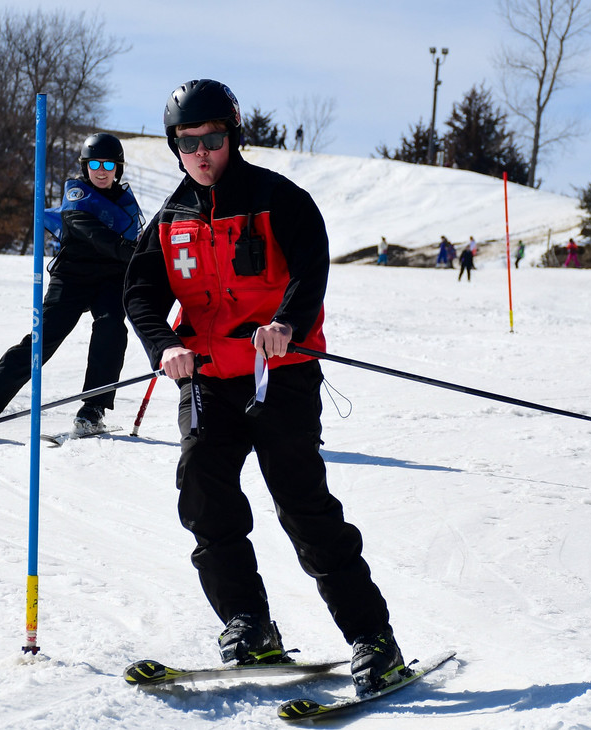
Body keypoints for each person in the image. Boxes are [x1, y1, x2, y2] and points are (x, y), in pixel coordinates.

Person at [124, 78, 403, 698]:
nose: (201, 152)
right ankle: (249, 625)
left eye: (212, 139)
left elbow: (311, 265)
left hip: (280, 374)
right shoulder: (170, 220)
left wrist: (288, 325)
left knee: (303, 507)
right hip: (207, 379)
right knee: (202, 492)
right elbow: (140, 292)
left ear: (234, 136)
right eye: (186, 142)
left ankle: (373, 640)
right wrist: (164, 346)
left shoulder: (280, 200)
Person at [0, 133, 142, 436]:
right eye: (94, 163)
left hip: (110, 278)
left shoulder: (125, 203)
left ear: (117, 168)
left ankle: (92, 410)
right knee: (43, 338)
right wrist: (129, 250)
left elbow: (136, 240)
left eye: (108, 164)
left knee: (112, 327)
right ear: (85, 167)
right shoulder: (77, 197)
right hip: (72, 277)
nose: (101, 170)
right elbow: (94, 234)